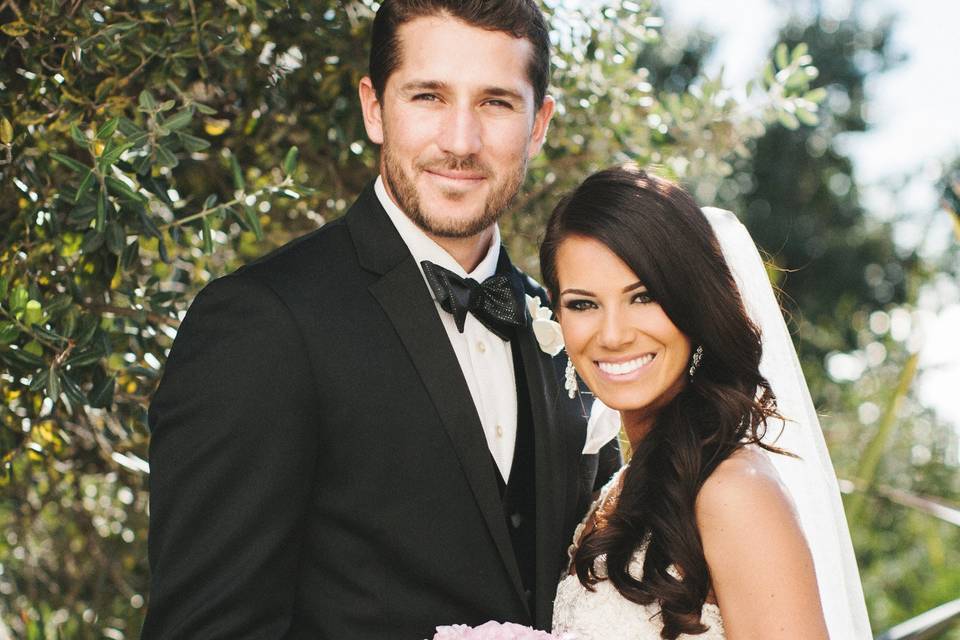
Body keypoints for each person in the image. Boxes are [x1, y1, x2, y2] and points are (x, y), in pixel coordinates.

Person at [141, 1, 618, 638]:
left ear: (539, 124)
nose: (459, 141)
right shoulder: (263, 322)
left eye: (496, 103)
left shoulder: (574, 333)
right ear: (374, 108)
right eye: (428, 96)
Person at [542, 165, 871, 639]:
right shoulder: (626, 483)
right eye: (583, 304)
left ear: (693, 304)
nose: (612, 335)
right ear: (557, 311)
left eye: (644, 296)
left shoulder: (733, 491)